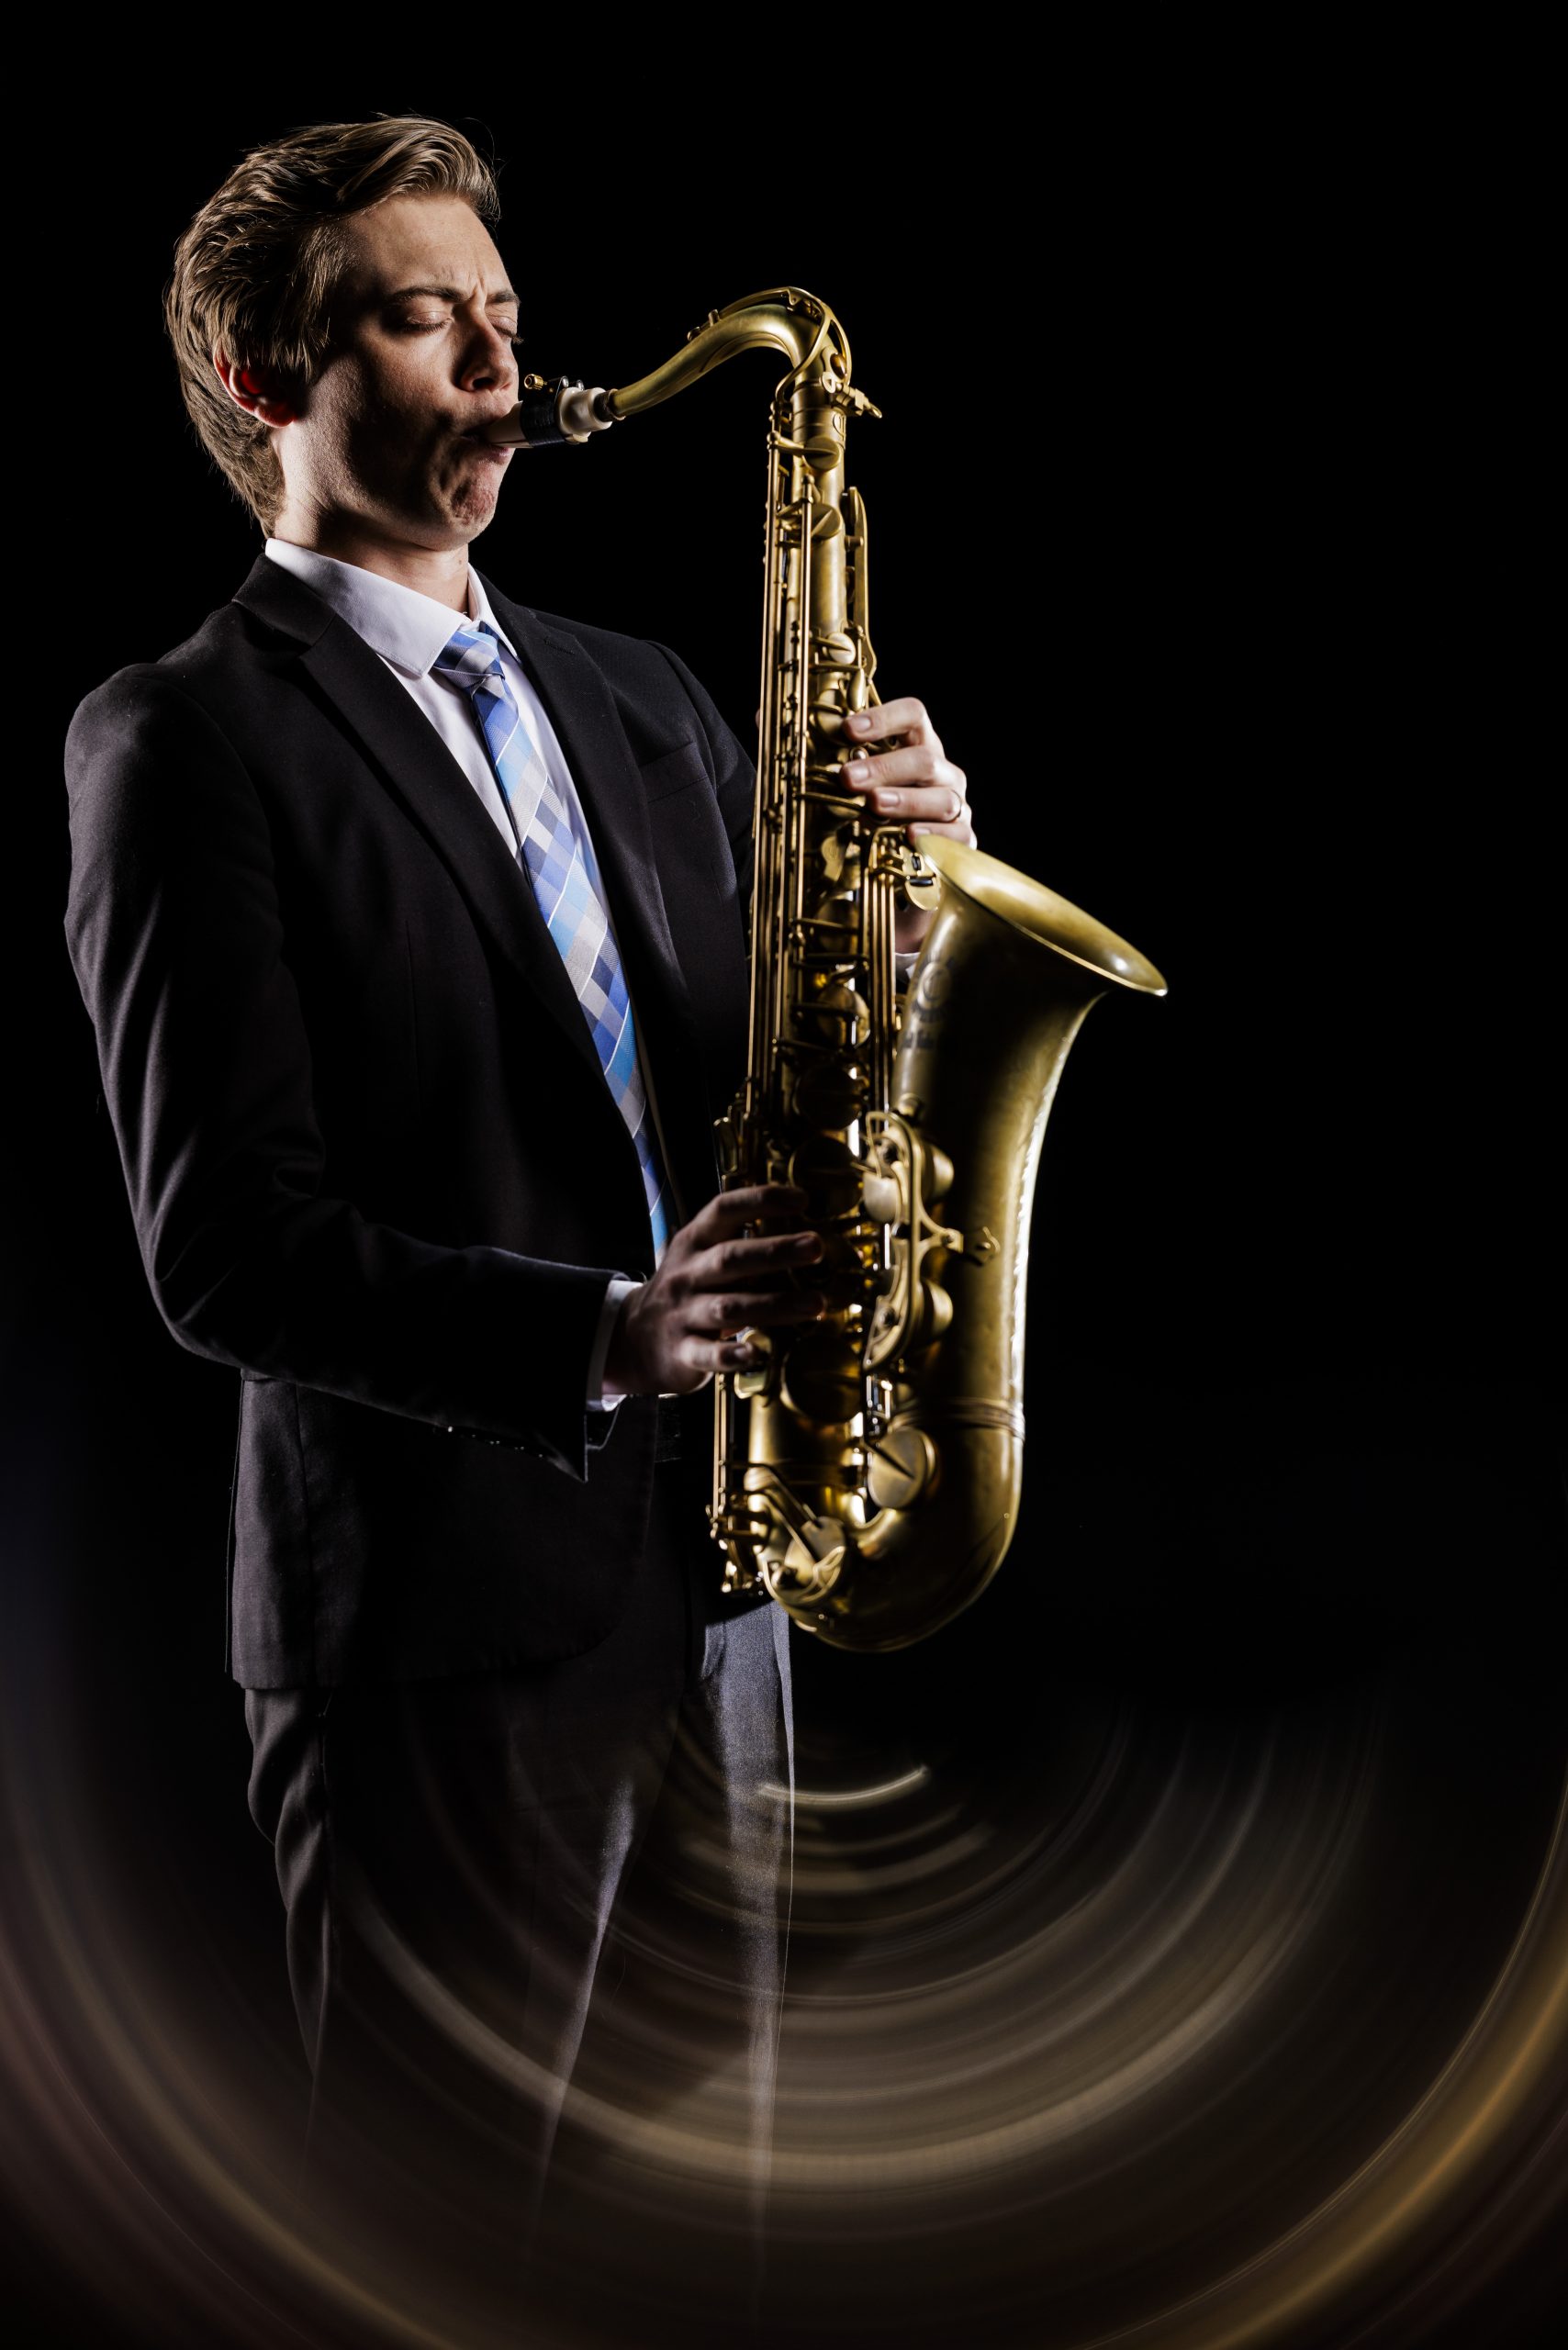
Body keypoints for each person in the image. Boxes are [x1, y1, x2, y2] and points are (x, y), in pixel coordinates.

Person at [62, 116, 975, 2339]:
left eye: (505, 322)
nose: (499, 372)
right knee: (437, 2257)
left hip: (715, 1584)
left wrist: (918, 888)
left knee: (705, 2252)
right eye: (421, 318)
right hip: (429, 1648)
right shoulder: (178, 742)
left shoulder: (649, 694)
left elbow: (797, 1059)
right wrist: (602, 1330)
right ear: (266, 379)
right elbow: (225, 1245)